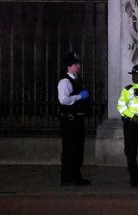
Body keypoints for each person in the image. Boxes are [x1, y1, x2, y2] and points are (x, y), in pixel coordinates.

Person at [58, 52, 91, 186]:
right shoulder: (65, 81)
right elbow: (64, 100)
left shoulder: (77, 80)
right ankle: (67, 177)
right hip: (70, 121)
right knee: (70, 148)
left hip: (77, 120)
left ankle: (75, 175)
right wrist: (79, 97)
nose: (78, 66)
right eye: (76, 64)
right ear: (69, 66)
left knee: (77, 148)